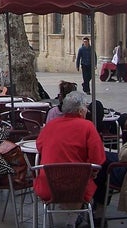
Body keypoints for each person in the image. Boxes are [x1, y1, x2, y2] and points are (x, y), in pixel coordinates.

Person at [35, 91, 106, 222]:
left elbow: (39, 147)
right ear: (80, 111)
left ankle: (69, 220)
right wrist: (92, 171)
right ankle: (81, 218)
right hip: (77, 188)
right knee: (99, 176)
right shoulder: (88, 126)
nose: (87, 111)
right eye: (86, 108)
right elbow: (98, 159)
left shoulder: (50, 125)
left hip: (49, 187)